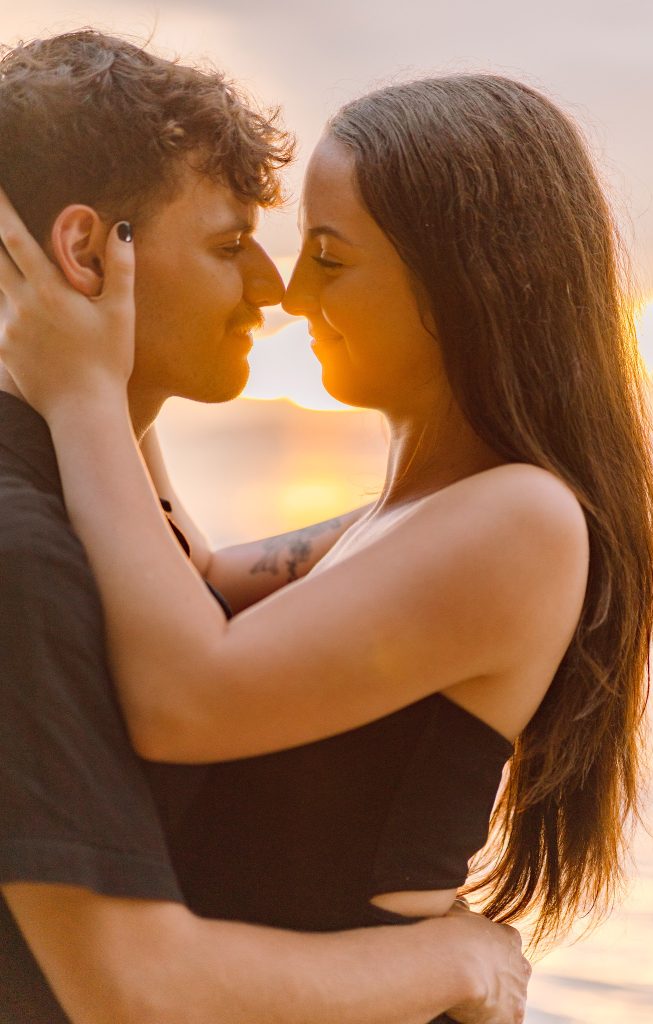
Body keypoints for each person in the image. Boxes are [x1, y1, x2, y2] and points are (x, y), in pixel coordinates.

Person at [0, 32, 532, 1024]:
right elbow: (129, 988)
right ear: (83, 252)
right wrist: (458, 959)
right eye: (225, 243)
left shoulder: (99, 520)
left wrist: (104, 402)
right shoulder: (25, 557)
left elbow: (207, 574)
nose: (272, 290)